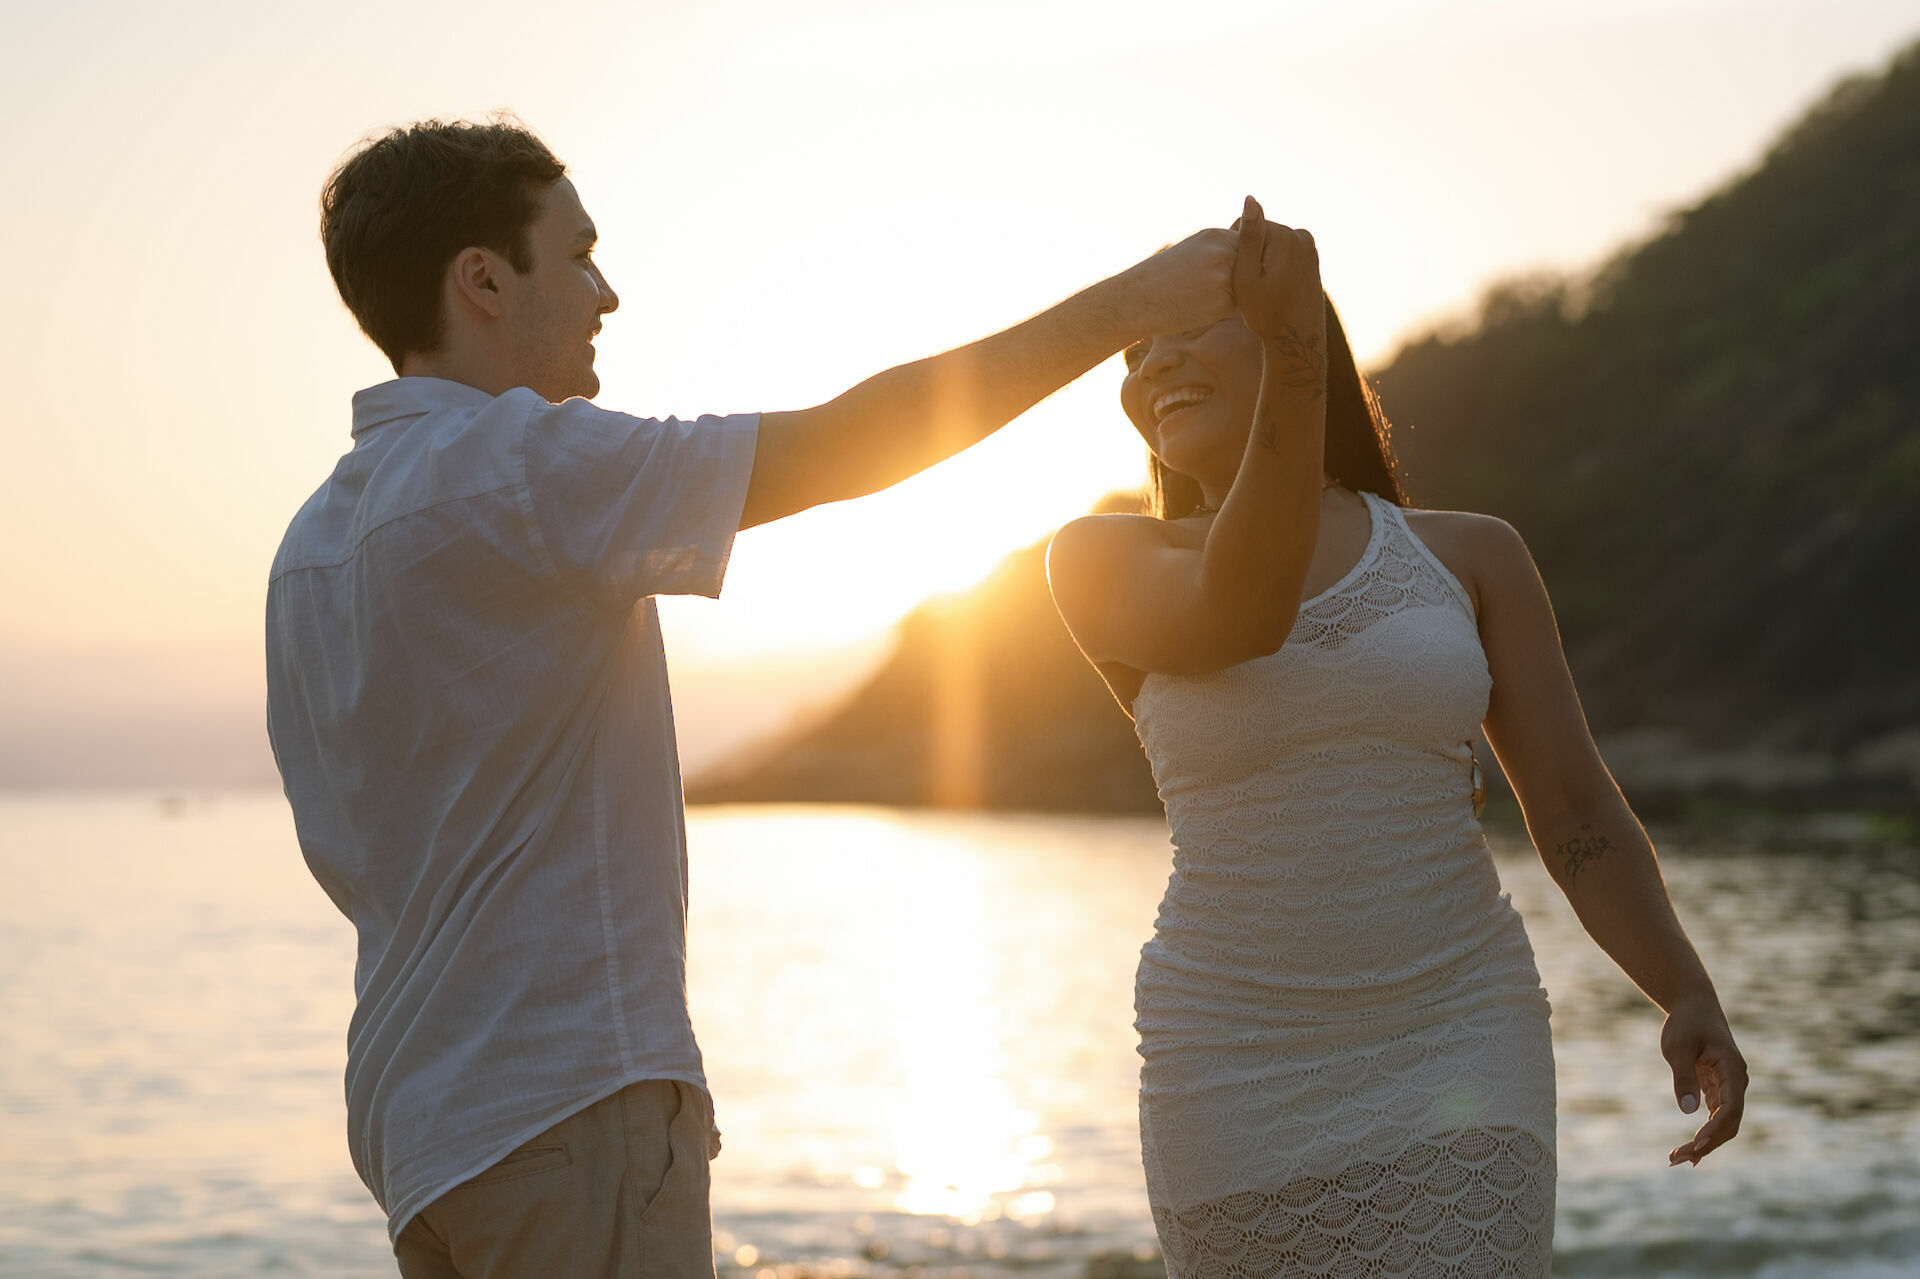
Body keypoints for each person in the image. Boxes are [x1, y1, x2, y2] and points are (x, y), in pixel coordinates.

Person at [264, 117, 1240, 1279]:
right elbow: (858, 442)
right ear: (482, 280)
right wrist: (1141, 299)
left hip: (420, 1133)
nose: (607, 292)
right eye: (575, 255)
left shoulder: (311, 547)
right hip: (566, 1104)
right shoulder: (527, 468)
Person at [1045, 198, 1749, 1277]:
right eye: (1137, 352)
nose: (1154, 366)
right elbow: (1248, 606)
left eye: (1190, 328)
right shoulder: (1103, 561)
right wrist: (1287, 347)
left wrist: (1682, 984)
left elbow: (1569, 803)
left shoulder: (1472, 556)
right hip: (1233, 1064)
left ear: (1299, 330)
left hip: (1459, 1030)